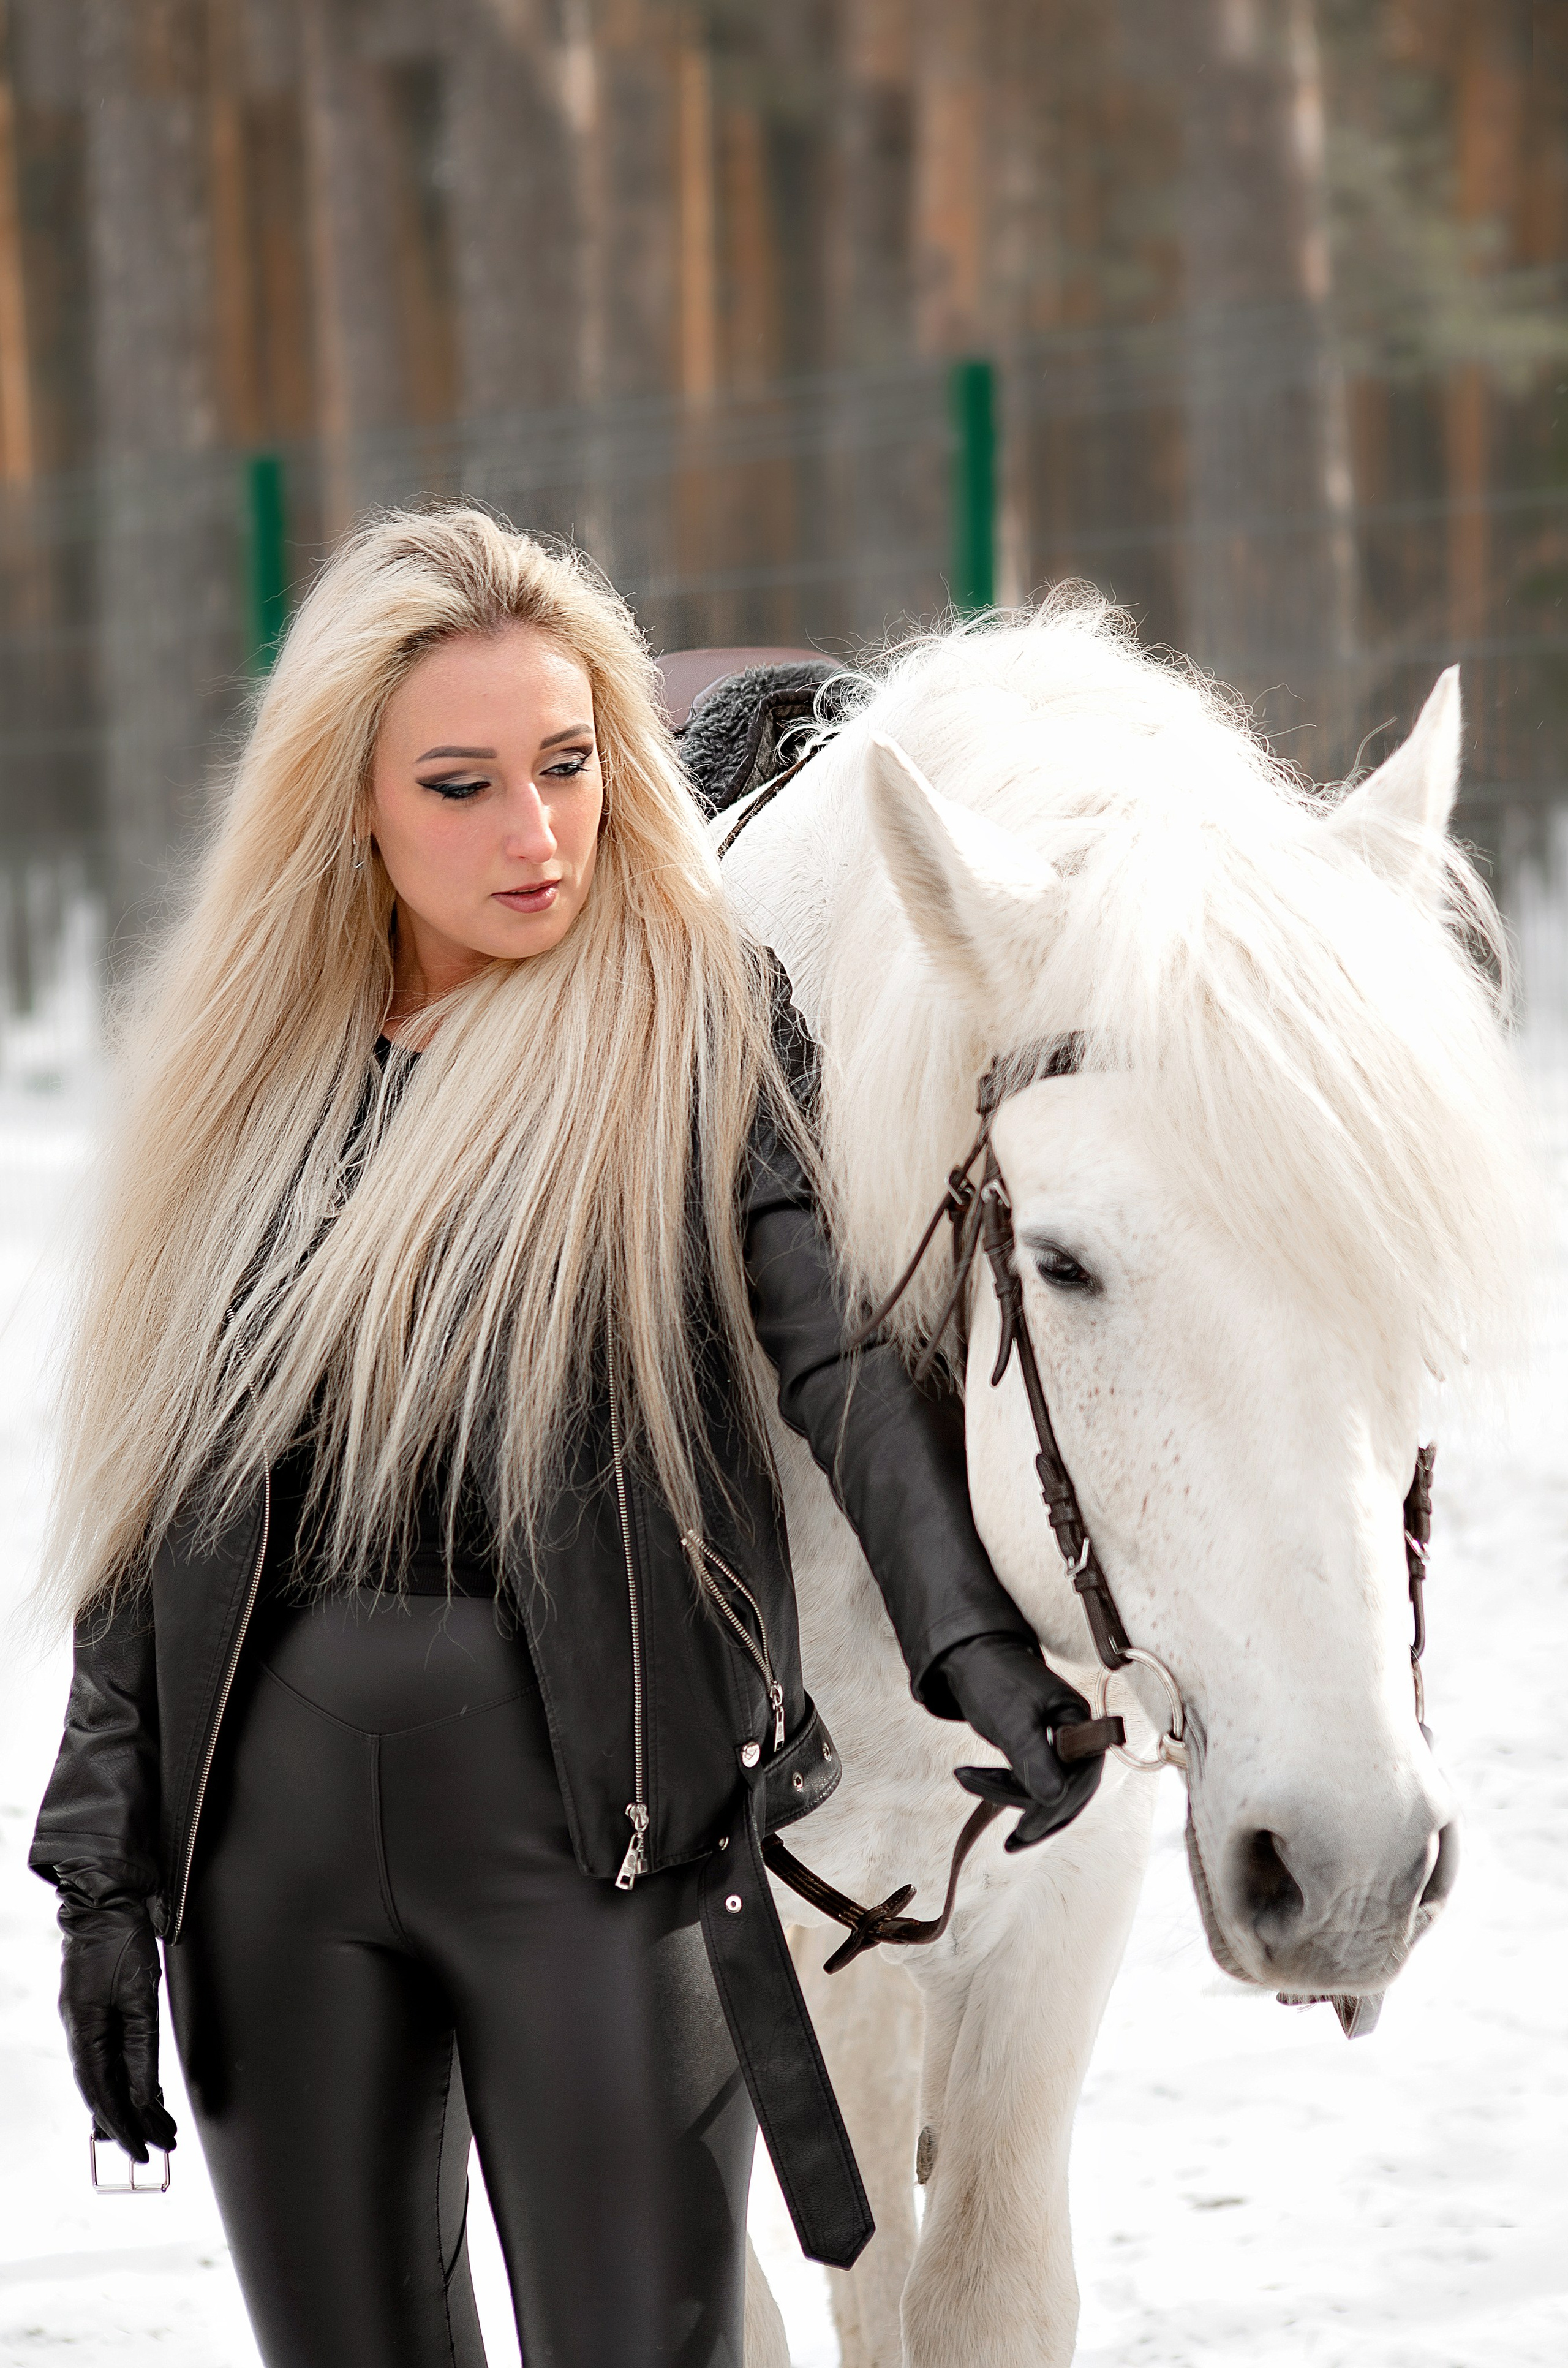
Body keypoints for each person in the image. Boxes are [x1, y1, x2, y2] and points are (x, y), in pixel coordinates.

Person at [29, 507, 1104, 2368]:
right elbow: (154, 1522)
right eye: (460, 786)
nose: (536, 832)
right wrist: (104, 1884)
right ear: (349, 808)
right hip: (265, 1870)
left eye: (568, 764)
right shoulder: (245, 1085)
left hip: (601, 1835)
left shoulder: (691, 1026)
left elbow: (837, 1366)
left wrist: (974, 1648)